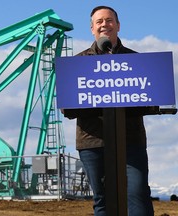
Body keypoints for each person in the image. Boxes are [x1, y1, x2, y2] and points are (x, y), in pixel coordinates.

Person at [63, 6, 154, 216]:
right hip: (92, 142)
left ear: (118, 26)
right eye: (99, 21)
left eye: (109, 20)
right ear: (92, 29)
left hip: (130, 140)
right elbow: (67, 106)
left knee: (137, 193)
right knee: (102, 198)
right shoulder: (77, 64)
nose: (105, 24)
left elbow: (150, 100)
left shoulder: (137, 61)